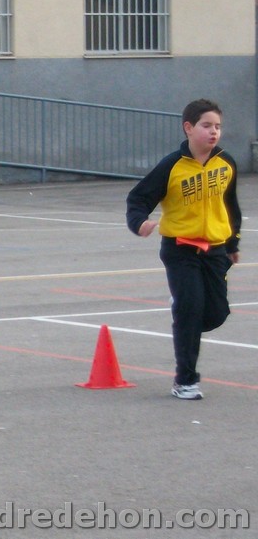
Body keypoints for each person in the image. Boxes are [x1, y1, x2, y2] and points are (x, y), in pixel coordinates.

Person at [126, 98, 241, 401]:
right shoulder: (171, 166)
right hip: (180, 250)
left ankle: (186, 307)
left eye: (217, 126)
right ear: (189, 128)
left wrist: (233, 242)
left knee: (216, 313)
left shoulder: (226, 163)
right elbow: (138, 199)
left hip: (215, 250)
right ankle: (185, 380)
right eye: (206, 126)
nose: (213, 132)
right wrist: (139, 223)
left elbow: (230, 205)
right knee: (189, 311)